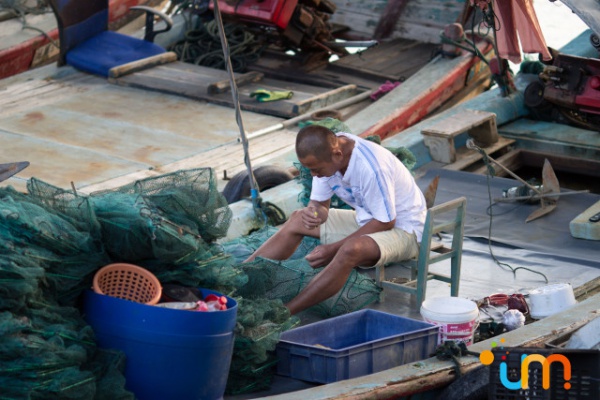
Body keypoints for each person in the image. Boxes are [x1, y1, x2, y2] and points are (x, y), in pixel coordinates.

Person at [244, 125, 427, 315]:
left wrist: (333, 249)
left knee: (349, 249)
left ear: (337, 155)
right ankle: (242, 277)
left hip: (407, 231)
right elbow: (320, 205)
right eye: (310, 170)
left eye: (317, 170)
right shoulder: (326, 156)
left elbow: (386, 222)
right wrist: (315, 213)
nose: (314, 175)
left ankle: (285, 313)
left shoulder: (371, 168)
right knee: (298, 219)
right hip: (369, 220)